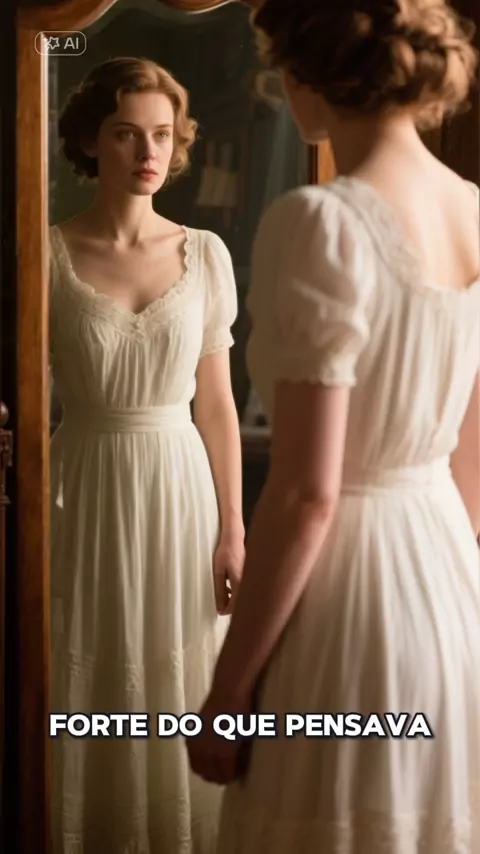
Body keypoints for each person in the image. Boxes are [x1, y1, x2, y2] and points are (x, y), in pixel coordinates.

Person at [187, 2, 480, 852]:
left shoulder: (322, 220)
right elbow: (472, 454)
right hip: (449, 582)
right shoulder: (472, 208)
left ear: (303, 74)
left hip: (348, 598)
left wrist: (227, 693)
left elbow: (307, 496)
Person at [48, 57, 245, 854]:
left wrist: (234, 529)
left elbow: (218, 406)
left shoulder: (206, 253)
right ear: (91, 141)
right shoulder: (45, 252)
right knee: (85, 657)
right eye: (127, 133)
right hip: (81, 484)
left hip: (177, 489)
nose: (148, 152)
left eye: (162, 135)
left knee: (177, 666)